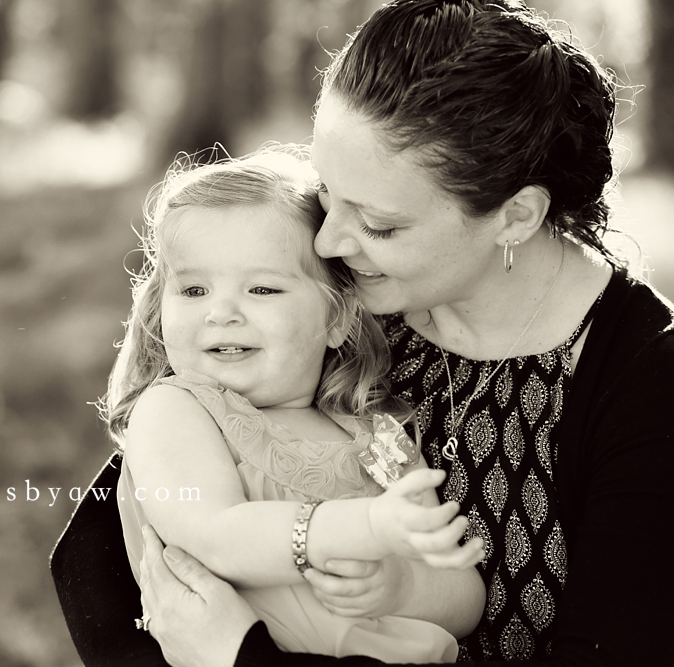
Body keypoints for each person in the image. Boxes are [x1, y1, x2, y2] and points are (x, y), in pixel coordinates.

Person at [50, 1, 674, 665]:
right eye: (327, 194)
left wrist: (239, 655)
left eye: (381, 224)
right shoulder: (332, 295)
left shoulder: (651, 386)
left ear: (516, 215)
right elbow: (107, 554)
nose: (330, 239)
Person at [106, 148, 486, 663]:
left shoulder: (376, 436)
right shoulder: (176, 411)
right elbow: (215, 535)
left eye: (261, 288)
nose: (220, 312)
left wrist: (400, 587)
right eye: (193, 289)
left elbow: (465, 596)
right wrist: (365, 530)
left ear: (337, 318)